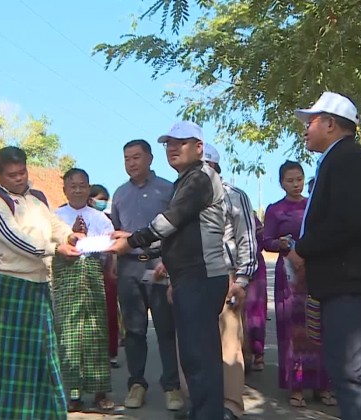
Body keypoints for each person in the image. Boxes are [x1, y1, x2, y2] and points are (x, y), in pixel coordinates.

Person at [110, 121, 230, 420]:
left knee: (200, 354)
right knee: (192, 354)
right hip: (188, 275)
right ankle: (201, 410)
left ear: (199, 148)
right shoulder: (185, 180)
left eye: (181, 142)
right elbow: (174, 234)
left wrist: (132, 241)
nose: (173, 148)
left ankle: (208, 414)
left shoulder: (200, 178)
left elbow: (170, 221)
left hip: (202, 274)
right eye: (169, 144)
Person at [287, 92, 361, 420]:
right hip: (344, 284)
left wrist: (302, 249)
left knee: (349, 372)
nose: (305, 129)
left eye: (311, 122)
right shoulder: (338, 159)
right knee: (353, 372)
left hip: (352, 284)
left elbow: (344, 221)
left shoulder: (348, 159)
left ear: (330, 124)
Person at [0, 146, 83, 419]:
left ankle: (42, 413)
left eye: (22, 172)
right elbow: (15, 239)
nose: (18, 178)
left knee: (41, 353)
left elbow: (54, 224)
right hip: (9, 284)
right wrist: (55, 248)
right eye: (11, 175)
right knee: (7, 357)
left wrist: (69, 236)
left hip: (39, 283)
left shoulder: (36, 198)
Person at [109, 139, 182, 411]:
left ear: (150, 158)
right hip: (128, 267)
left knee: (166, 328)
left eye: (136, 157)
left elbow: (176, 230)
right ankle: (136, 384)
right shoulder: (119, 194)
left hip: (159, 265)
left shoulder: (168, 189)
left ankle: (172, 386)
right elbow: (116, 232)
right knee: (134, 330)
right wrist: (114, 261)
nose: (131, 163)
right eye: (126, 158)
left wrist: (170, 263)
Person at [263, 161, 333, 408]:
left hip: (316, 273)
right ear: (281, 183)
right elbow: (266, 241)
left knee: (320, 328)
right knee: (293, 332)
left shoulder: (315, 206)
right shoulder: (275, 210)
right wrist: (280, 244)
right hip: (289, 275)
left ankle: (323, 386)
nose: (296, 184)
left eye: (299, 179)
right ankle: (297, 387)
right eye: (290, 180)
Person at [54, 168, 118, 412]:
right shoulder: (56, 217)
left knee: (96, 333)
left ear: (89, 188)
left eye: (82, 186)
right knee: (68, 336)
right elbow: (51, 246)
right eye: (73, 186)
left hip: (93, 278)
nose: (78, 190)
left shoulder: (100, 218)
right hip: (66, 278)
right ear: (65, 189)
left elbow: (110, 246)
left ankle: (100, 392)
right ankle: (74, 394)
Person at [202, 143, 257, 420]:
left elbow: (246, 237)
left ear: (214, 166)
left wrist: (242, 279)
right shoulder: (181, 195)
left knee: (229, 341)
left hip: (225, 275)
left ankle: (231, 404)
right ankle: (198, 402)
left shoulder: (234, 196)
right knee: (192, 343)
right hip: (191, 277)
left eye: (204, 165)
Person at [89, 183, 121, 369]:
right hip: (86, 269)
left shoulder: (107, 219)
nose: (102, 203)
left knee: (109, 312)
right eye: (100, 199)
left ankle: (111, 352)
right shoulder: (78, 216)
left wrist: (113, 265)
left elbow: (114, 245)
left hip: (106, 269)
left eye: (105, 200)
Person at [246, 212, 268, 372]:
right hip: (230, 267)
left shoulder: (252, 218)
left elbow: (263, 240)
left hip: (255, 268)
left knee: (256, 312)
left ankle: (258, 352)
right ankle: (241, 353)